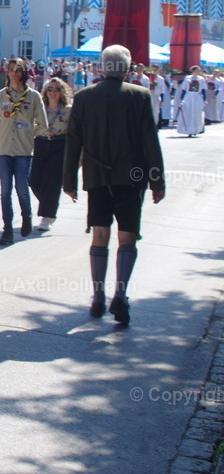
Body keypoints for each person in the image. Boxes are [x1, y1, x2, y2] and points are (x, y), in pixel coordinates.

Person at [64, 45, 166, 325]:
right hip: (132, 176)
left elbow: (73, 141)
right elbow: (150, 141)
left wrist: (69, 180)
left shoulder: (83, 97)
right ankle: (120, 295)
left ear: (101, 67)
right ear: (127, 68)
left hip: (97, 175)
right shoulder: (140, 95)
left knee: (99, 234)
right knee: (127, 235)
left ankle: (98, 298)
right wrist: (157, 180)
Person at [0, 57, 48, 245]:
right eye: (11, 69)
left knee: (22, 188)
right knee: (5, 190)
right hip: (4, 150)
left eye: (18, 70)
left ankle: (26, 216)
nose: (14, 73)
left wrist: (29, 134)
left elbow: (43, 124)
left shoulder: (33, 97)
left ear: (24, 73)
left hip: (23, 150)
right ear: (7, 72)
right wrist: (5, 133)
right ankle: (7, 230)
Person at [29, 77, 72, 232]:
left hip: (59, 144)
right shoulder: (39, 107)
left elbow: (74, 132)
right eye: (50, 89)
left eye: (56, 89)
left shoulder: (68, 110)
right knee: (34, 181)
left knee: (52, 182)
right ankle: (50, 206)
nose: (53, 92)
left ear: (62, 92)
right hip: (41, 143)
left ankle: (46, 217)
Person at [175, 65, 206, 137]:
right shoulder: (187, 78)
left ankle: (196, 129)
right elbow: (183, 90)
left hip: (197, 97)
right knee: (188, 113)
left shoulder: (201, 79)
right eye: (197, 70)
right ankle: (188, 130)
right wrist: (182, 99)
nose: (198, 72)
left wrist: (205, 99)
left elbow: (203, 90)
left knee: (196, 113)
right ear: (193, 71)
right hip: (189, 96)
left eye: (199, 70)